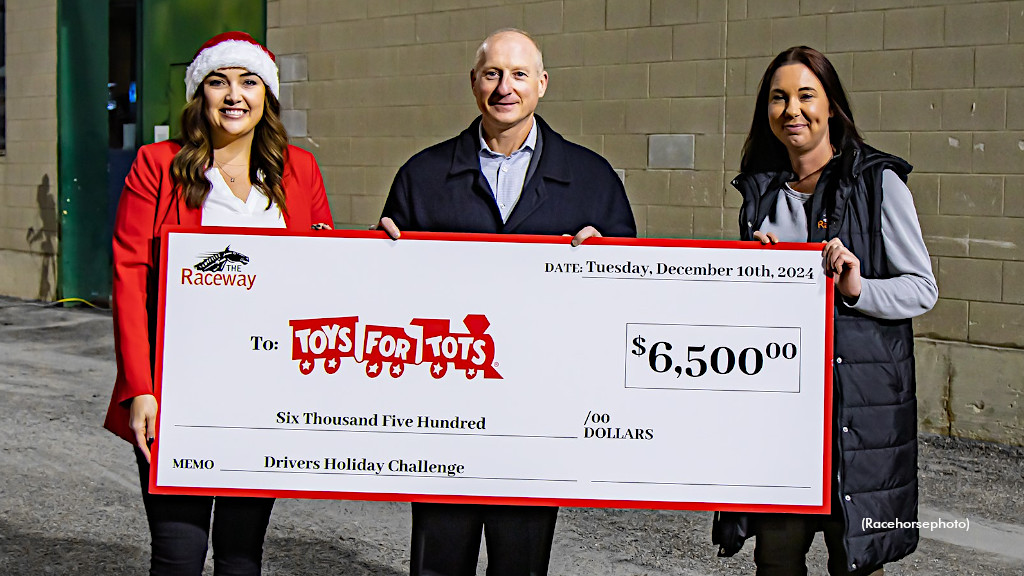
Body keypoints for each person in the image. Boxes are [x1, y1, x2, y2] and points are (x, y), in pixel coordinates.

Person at [377, 28, 635, 576]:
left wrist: (607, 263)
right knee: (439, 561)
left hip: (536, 415)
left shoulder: (591, 179)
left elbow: (624, 298)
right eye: (492, 73)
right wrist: (378, 256)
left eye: (519, 74)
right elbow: (386, 299)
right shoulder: (423, 178)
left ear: (542, 84)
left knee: (521, 563)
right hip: (445, 414)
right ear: (474, 83)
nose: (505, 87)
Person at [103, 31, 332, 575]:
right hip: (179, 388)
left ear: (266, 96)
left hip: (264, 388)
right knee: (179, 554)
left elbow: (327, 271)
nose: (234, 95)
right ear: (198, 95)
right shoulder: (157, 166)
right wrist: (141, 388)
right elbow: (128, 278)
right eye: (218, 81)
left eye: (248, 81)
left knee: (240, 553)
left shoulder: (299, 172)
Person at [711, 46, 937, 576]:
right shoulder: (760, 197)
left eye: (806, 95)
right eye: (778, 98)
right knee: (777, 560)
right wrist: (752, 275)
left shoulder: (878, 183)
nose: (792, 109)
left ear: (831, 106)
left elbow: (922, 289)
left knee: (855, 562)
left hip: (856, 420)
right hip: (784, 422)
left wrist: (858, 289)